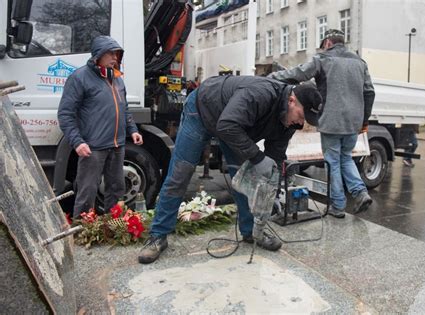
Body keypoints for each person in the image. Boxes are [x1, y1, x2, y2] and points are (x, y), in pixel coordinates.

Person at [138, 75, 321, 264]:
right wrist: (257, 157)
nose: (300, 124)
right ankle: (158, 236)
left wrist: (270, 191)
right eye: (301, 116)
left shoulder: (289, 122)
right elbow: (227, 126)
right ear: (291, 101)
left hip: (233, 126)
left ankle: (251, 232)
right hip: (203, 110)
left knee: (244, 178)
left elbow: (273, 160)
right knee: (180, 173)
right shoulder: (260, 94)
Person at [268, 29, 376, 218]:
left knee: (333, 162)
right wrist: (364, 120)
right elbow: (369, 92)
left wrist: (270, 78)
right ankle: (360, 193)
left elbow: (298, 74)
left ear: (327, 43)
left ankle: (337, 206)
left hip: (331, 120)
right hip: (353, 121)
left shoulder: (323, 59)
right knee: (346, 158)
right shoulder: (360, 62)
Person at [58, 36, 143, 218]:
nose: (115, 58)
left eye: (117, 54)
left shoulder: (117, 79)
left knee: (116, 188)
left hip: (117, 145)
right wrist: (77, 142)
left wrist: (133, 130)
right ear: (98, 55)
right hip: (93, 147)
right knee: (87, 191)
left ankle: (114, 226)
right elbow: (66, 114)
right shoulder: (80, 78)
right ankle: (82, 231)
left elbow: (124, 108)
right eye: (110, 53)